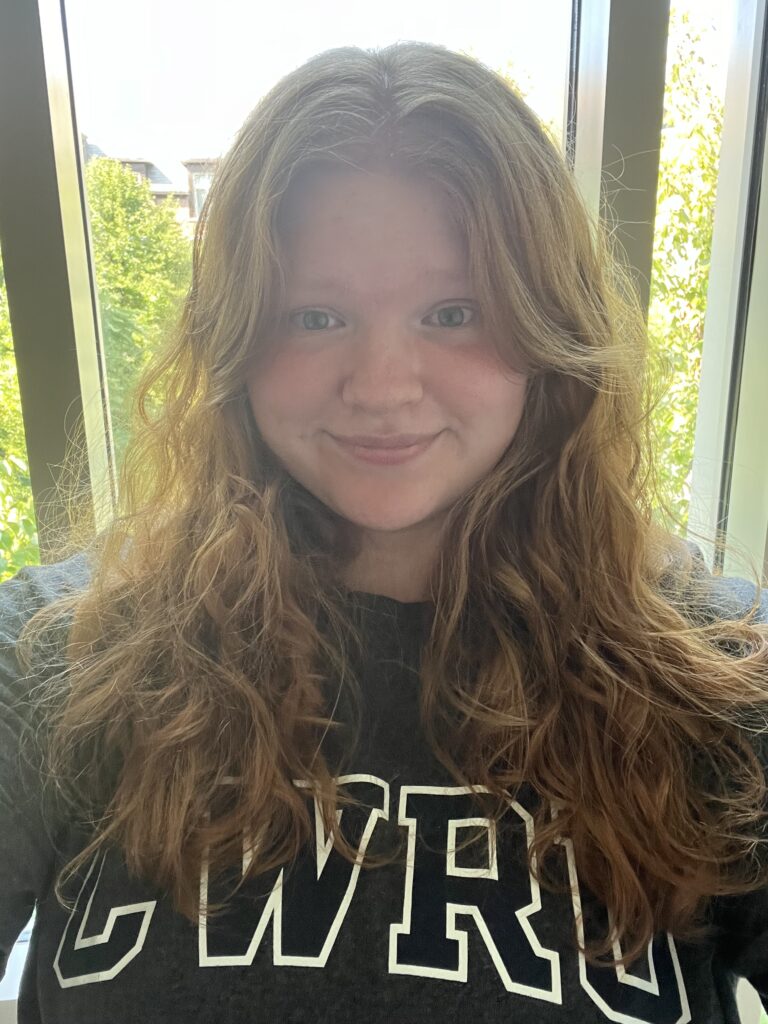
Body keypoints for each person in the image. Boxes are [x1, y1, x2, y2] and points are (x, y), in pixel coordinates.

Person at [1, 40, 767, 1024]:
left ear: (549, 327)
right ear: (236, 339)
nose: (381, 386)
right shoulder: (64, 659)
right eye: (314, 317)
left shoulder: (713, 683)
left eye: (453, 311)